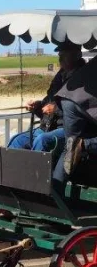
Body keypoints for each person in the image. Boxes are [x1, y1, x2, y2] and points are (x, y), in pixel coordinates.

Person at [7, 42, 85, 152]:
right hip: (47, 127)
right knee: (17, 140)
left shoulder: (84, 77)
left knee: (42, 140)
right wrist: (37, 105)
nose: (60, 57)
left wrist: (55, 109)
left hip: (69, 130)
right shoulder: (60, 76)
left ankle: (35, 169)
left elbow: (80, 106)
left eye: (64, 54)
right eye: (60, 54)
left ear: (77, 55)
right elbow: (49, 101)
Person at [52, 54, 97, 183]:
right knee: (75, 144)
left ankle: (55, 191)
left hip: (68, 98)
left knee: (69, 147)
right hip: (89, 101)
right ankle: (83, 144)